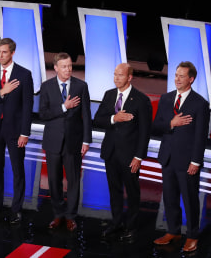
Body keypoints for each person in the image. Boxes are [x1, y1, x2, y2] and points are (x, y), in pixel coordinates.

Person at [152, 61, 209, 252]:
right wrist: (172, 123)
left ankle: (192, 236)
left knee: (190, 200)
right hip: (167, 157)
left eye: (181, 76)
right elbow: (156, 126)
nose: (177, 79)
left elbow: (201, 136)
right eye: (176, 75)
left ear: (191, 79)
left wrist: (195, 161)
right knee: (169, 198)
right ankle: (173, 231)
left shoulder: (200, 104)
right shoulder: (166, 99)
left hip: (187, 162)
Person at [93, 63, 152, 240]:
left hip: (130, 156)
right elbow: (98, 119)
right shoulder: (109, 95)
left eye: (120, 75)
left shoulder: (141, 100)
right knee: (114, 190)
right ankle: (116, 222)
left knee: (132, 192)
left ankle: (131, 226)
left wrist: (138, 157)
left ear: (129, 77)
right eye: (115, 74)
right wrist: (114, 118)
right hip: (110, 152)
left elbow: (145, 132)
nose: (116, 78)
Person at [0, 38, 34, 224]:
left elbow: (28, 106)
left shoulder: (24, 74)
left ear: (12, 53)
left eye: (4, 52)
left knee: (18, 170)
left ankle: (16, 209)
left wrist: (24, 133)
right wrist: (2, 92)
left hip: (15, 130)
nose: (0, 55)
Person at [39, 52, 92, 231]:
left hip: (74, 141)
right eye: (64, 66)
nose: (68, 69)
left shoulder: (81, 86)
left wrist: (86, 140)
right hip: (53, 141)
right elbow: (43, 114)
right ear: (55, 68)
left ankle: (70, 216)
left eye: (70, 66)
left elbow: (86, 115)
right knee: (54, 180)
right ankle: (58, 214)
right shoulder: (46, 87)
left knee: (73, 180)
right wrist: (64, 107)